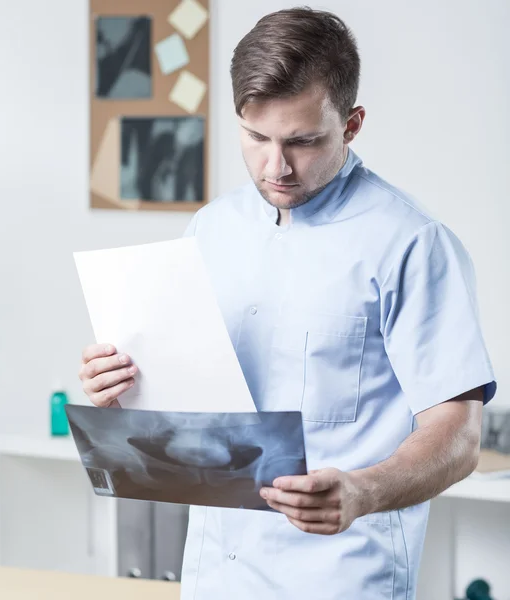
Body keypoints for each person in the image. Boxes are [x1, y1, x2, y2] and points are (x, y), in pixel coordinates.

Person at [79, 7, 496, 599]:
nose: (276, 167)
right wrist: (120, 390)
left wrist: (363, 492)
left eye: (303, 141)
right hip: (213, 576)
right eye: (256, 138)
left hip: (340, 575)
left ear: (351, 125)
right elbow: (181, 410)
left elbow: (458, 436)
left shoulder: (411, 243)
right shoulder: (209, 229)